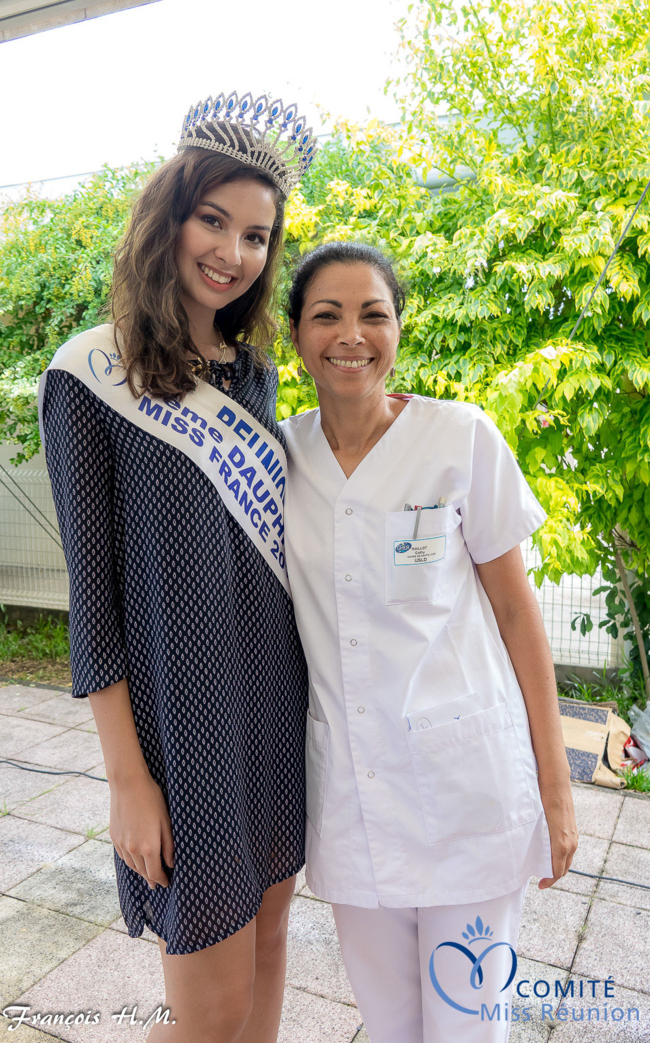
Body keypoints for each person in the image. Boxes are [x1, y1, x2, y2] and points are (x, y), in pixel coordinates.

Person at [38, 92, 316, 1043]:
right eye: (213, 220)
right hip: (178, 727)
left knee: (272, 937)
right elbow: (96, 597)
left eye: (255, 235)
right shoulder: (88, 374)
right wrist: (128, 779)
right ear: (169, 214)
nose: (232, 252)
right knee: (209, 1011)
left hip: (274, 704)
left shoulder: (252, 372)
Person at [282, 241, 578, 1043]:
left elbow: (518, 614)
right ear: (295, 336)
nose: (352, 334)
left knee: (467, 1027)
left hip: (466, 791)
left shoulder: (459, 438)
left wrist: (554, 788)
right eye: (326, 315)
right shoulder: (280, 455)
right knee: (389, 1026)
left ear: (398, 328)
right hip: (352, 794)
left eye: (373, 313)